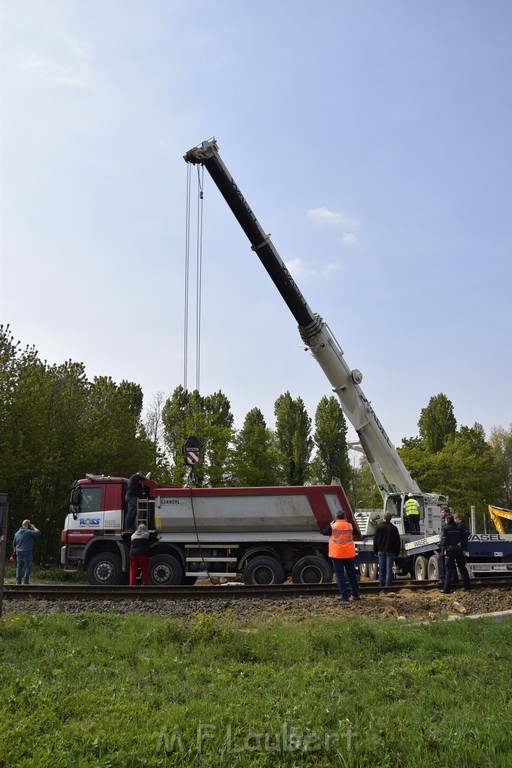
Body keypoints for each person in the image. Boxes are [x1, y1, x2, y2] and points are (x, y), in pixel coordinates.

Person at [322, 511, 360, 601]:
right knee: (352, 575)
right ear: (344, 517)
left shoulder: (333, 526)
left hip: (337, 554)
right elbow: (355, 532)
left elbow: (323, 532)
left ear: (336, 517)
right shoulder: (349, 526)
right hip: (348, 554)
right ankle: (355, 595)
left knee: (340, 575)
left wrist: (331, 523)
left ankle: (344, 595)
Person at [439, 514, 471, 593]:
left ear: (447, 520)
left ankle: (447, 589)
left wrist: (443, 550)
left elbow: (444, 540)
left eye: (445, 520)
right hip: (458, 549)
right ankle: (467, 587)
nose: (445, 521)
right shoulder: (458, 528)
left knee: (449, 569)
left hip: (450, 549)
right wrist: (460, 539)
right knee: (462, 568)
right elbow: (468, 533)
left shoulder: (445, 528)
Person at [373, 512, 401, 587]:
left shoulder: (379, 527)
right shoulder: (394, 528)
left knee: (382, 568)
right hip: (390, 551)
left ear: (384, 518)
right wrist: (397, 552)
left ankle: (381, 585)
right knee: (389, 568)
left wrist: (375, 550)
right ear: (391, 519)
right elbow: (397, 541)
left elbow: (375, 540)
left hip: (381, 550)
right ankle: (388, 585)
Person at [12, 519, 41, 585]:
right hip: (27, 551)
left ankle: (18, 581)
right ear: (28, 525)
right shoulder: (29, 531)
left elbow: (14, 544)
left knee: (19, 566)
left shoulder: (16, 533)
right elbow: (38, 533)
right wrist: (34, 528)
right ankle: (25, 580)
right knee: (28, 566)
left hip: (19, 552)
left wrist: (14, 551)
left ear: (22, 525)